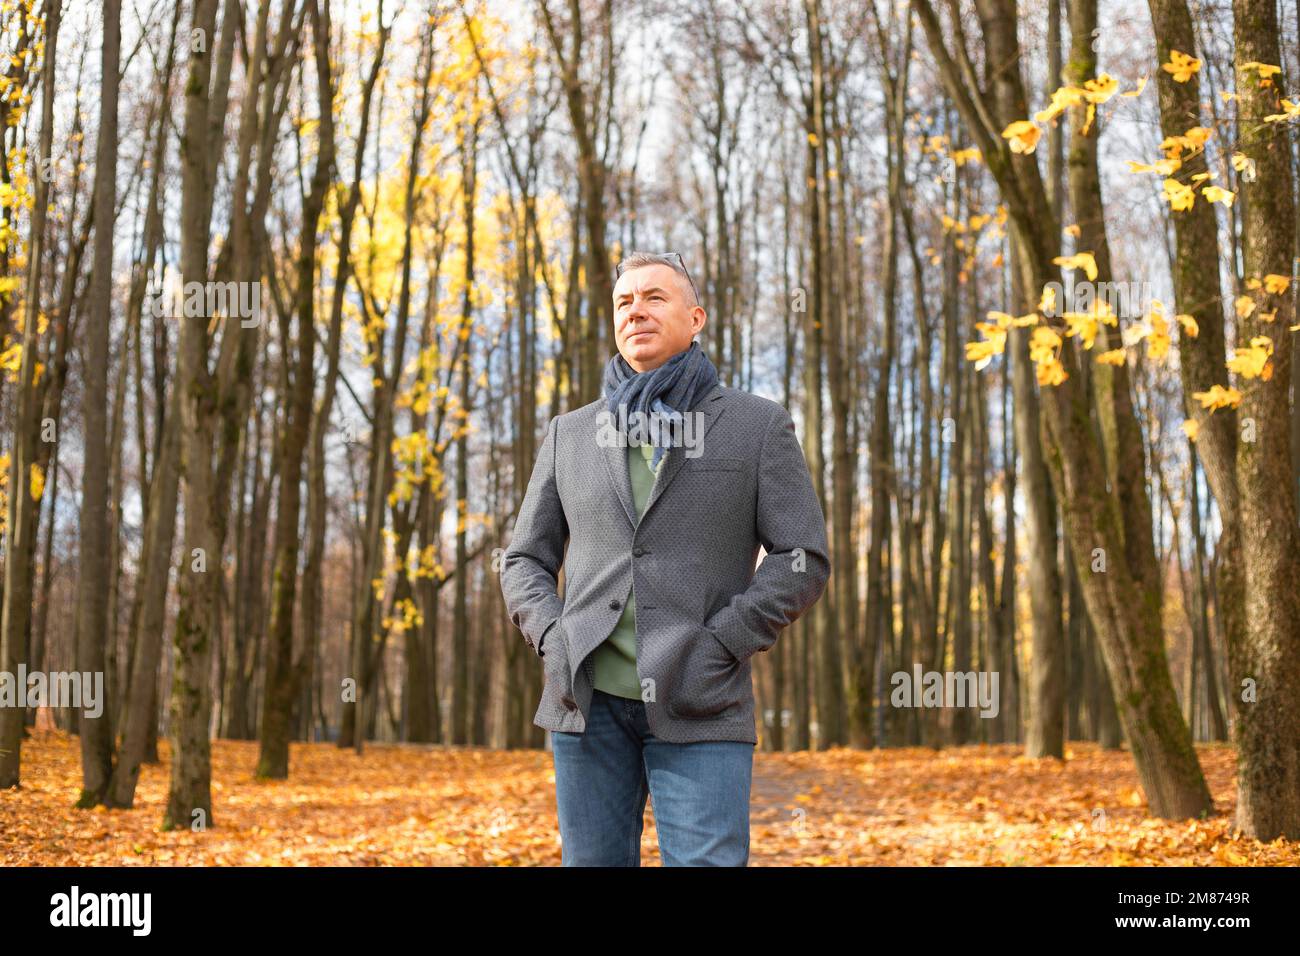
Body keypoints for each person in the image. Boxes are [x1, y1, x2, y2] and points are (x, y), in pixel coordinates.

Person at [501, 250, 830, 866]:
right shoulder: (570, 434)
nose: (636, 311)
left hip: (701, 694)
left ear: (696, 316)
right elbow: (523, 560)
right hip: (587, 702)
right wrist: (554, 637)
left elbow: (801, 556)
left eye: (655, 297)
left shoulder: (756, 426)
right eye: (624, 301)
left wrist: (724, 641)